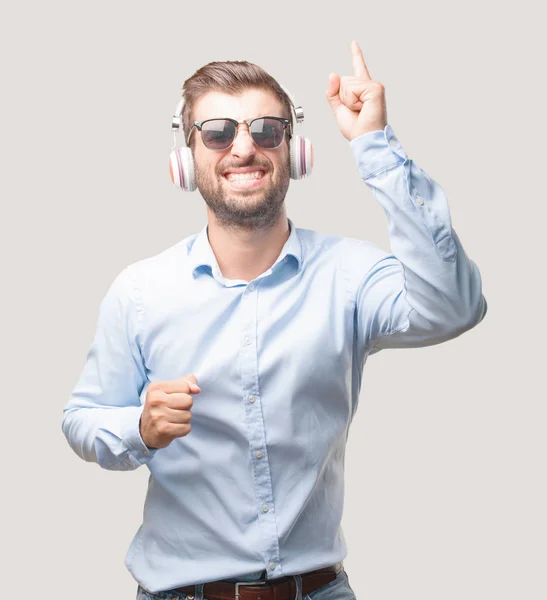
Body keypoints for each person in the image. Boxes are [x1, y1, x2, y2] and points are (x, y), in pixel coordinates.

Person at [61, 40, 487, 600]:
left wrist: (373, 145)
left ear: (294, 150)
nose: (244, 148)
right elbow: (82, 418)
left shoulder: (349, 274)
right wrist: (137, 428)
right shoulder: (140, 291)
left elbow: (454, 307)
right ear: (187, 158)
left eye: (266, 130)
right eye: (218, 133)